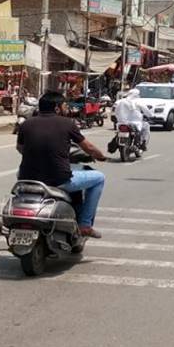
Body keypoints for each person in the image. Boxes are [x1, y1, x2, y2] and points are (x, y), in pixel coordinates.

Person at [17, 91, 108, 238]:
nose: (67, 108)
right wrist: (102, 156)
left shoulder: (26, 124)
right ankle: (85, 224)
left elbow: (20, 148)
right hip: (59, 180)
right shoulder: (67, 124)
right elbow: (88, 148)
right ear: (57, 108)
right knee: (99, 178)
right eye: (65, 105)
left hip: (27, 178)